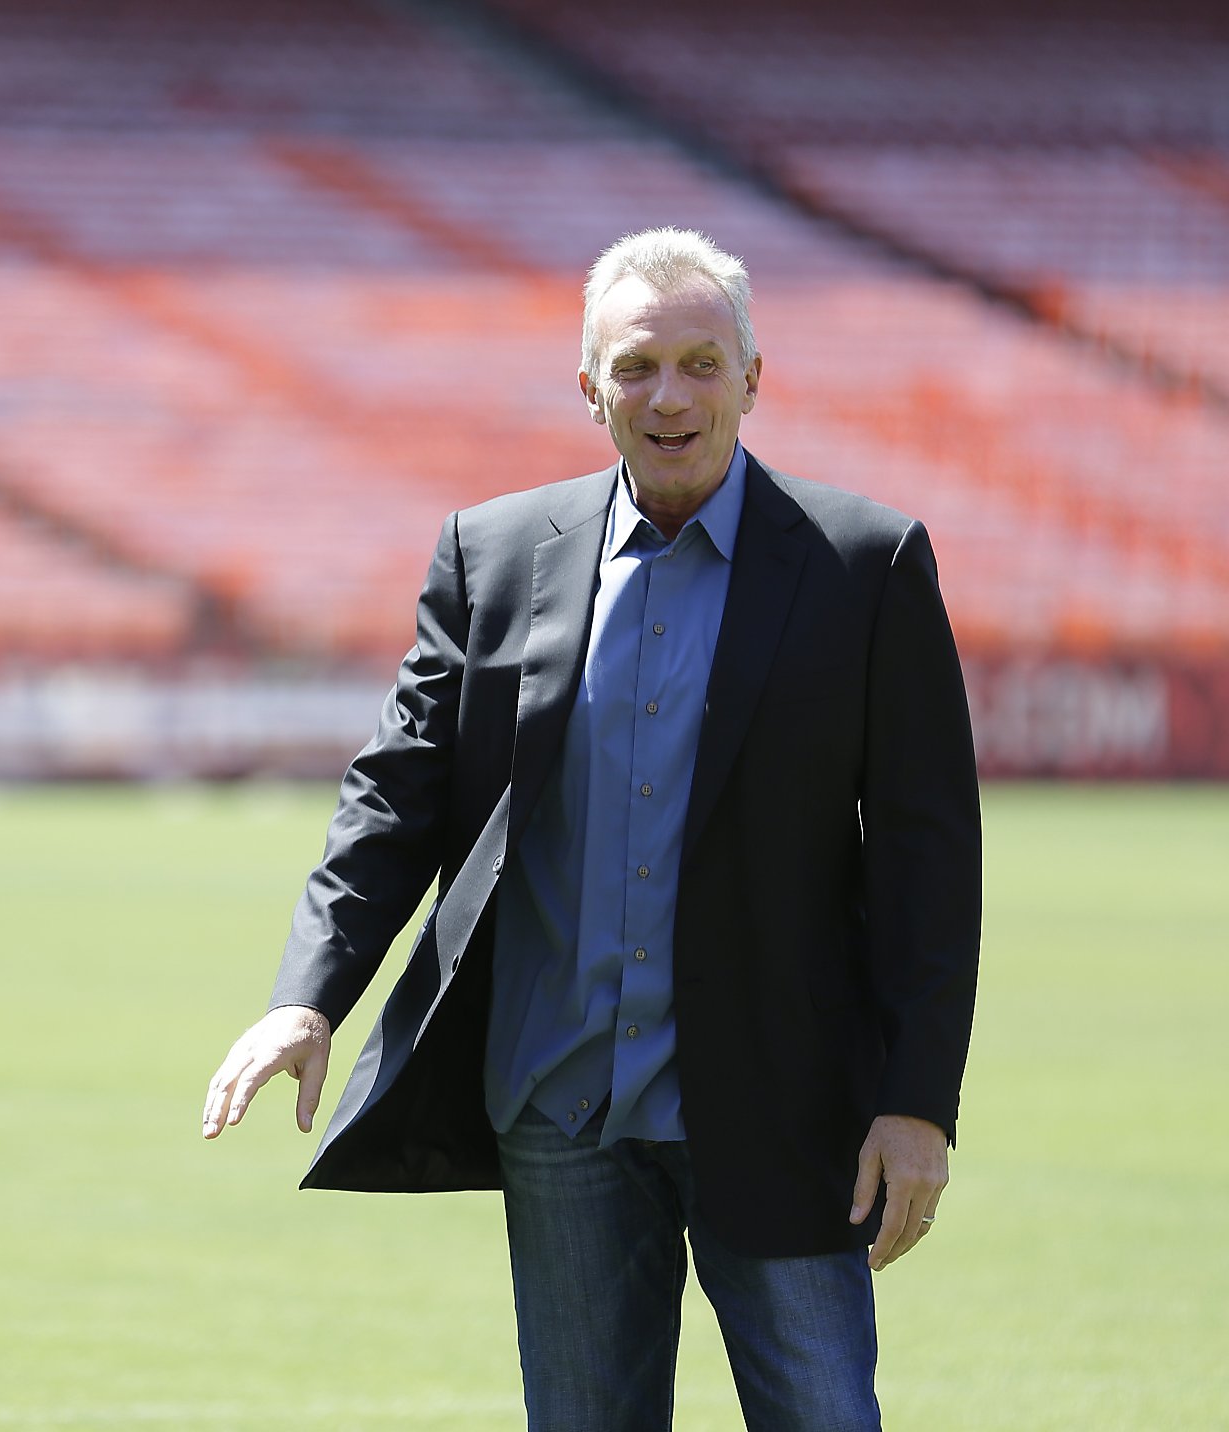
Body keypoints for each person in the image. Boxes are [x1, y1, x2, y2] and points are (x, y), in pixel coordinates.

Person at [202, 228, 979, 1429]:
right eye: (633, 367)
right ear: (587, 389)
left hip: (780, 1110)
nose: (666, 395)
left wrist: (918, 1102)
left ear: (751, 379)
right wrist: (306, 996)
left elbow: (931, 859)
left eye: (698, 363)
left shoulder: (863, 565)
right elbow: (391, 797)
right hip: (557, 1111)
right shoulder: (494, 555)